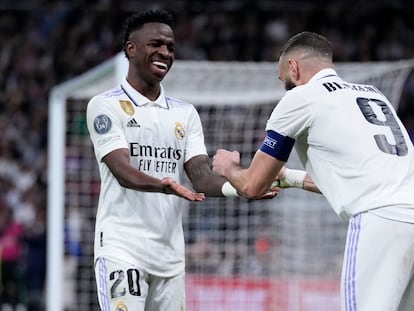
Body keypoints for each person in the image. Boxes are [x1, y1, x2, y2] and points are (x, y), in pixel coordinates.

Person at [86, 9, 277, 311]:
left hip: (170, 257)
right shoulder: (105, 105)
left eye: (170, 46)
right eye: (156, 44)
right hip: (122, 249)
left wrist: (241, 185)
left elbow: (200, 174)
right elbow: (121, 169)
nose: (165, 52)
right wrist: (163, 185)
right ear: (131, 49)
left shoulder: (184, 113)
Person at [212, 31, 414, 311]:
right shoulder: (374, 96)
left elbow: (253, 186)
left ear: (293, 67)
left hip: (380, 222)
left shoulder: (301, 98)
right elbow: (354, 176)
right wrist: (290, 177)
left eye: (284, 80)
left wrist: (228, 167)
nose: (286, 87)